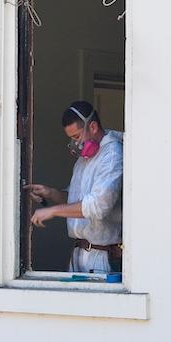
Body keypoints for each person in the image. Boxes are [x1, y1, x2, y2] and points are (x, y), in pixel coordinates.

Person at [24, 101, 123, 273]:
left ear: (92, 127)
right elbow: (77, 200)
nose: (74, 144)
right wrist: (51, 193)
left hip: (103, 258)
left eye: (77, 137)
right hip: (79, 253)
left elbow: (98, 206)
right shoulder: (83, 160)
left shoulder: (113, 154)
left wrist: (53, 211)